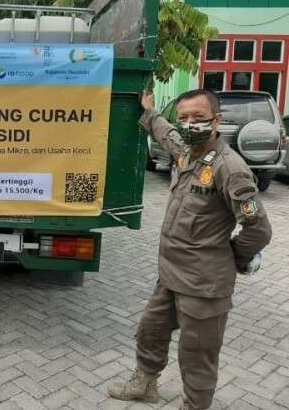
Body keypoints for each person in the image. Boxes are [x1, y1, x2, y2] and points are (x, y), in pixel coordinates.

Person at [108, 89, 272, 410]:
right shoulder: (187, 153)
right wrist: (150, 111)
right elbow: (167, 134)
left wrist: (232, 258)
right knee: (150, 331)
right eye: (183, 117)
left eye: (197, 117)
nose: (189, 124)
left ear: (217, 121)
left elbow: (259, 229)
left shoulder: (230, 168)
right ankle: (145, 384)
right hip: (170, 276)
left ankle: (195, 405)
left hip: (204, 285)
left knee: (197, 354)